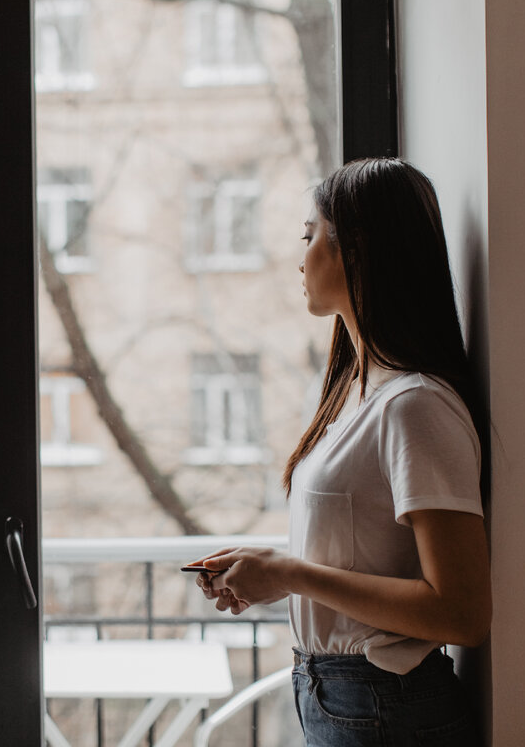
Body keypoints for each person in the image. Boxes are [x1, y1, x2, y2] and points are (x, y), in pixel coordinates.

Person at [189, 158, 490, 746]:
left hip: (385, 705)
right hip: (341, 694)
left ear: (355, 250)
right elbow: (367, 553)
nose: (300, 257)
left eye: (310, 236)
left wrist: (292, 573)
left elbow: (460, 612)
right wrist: (275, 571)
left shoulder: (416, 406)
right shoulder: (355, 395)